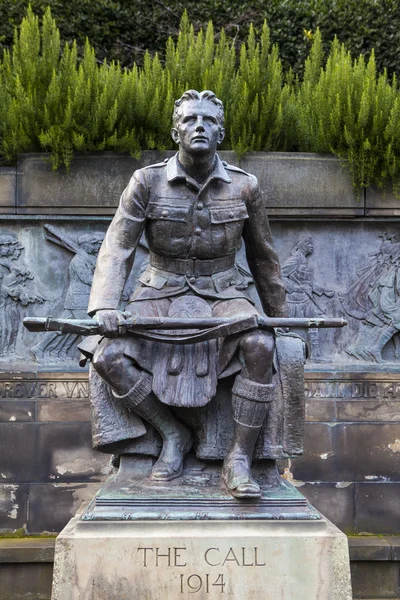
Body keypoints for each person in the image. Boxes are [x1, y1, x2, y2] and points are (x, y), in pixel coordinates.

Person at [84, 90, 287, 499]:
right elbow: (117, 247)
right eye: (191, 119)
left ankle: (239, 459)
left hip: (224, 290)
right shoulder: (146, 180)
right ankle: (171, 433)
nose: (199, 126)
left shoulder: (245, 187)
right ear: (175, 130)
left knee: (261, 345)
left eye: (208, 121)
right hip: (159, 289)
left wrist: (280, 318)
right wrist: (105, 305)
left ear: (221, 131)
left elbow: (264, 257)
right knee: (107, 356)